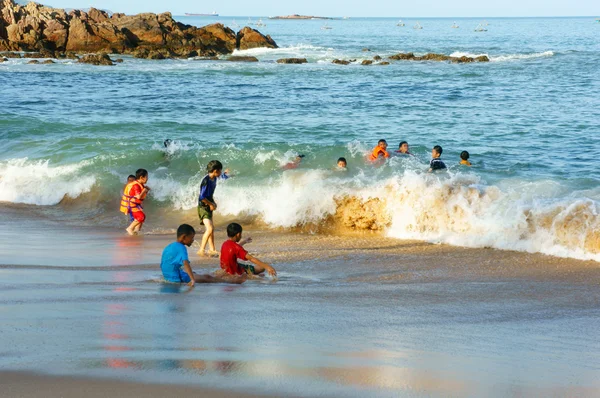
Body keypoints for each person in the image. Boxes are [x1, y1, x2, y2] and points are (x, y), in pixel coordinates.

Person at [161, 224, 244, 286]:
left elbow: (164, 262)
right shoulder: (181, 248)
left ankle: (223, 276)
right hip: (175, 278)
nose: (193, 240)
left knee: (197, 273)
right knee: (207, 278)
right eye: (192, 238)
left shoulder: (171, 246)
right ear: (184, 237)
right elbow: (185, 263)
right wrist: (192, 280)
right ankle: (232, 282)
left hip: (168, 274)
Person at [197, 160, 223, 256]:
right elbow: (202, 197)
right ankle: (201, 249)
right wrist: (211, 204)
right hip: (203, 207)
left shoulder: (214, 178)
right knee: (210, 229)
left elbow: (222, 177)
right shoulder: (206, 181)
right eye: (220, 171)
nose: (220, 173)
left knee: (211, 228)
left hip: (208, 205)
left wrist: (226, 174)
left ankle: (212, 249)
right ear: (215, 171)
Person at [120, 168, 150, 235]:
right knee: (141, 217)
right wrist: (145, 190)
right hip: (131, 205)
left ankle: (136, 231)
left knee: (140, 219)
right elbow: (138, 196)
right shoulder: (136, 185)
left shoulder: (140, 184)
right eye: (147, 177)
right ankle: (130, 228)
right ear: (142, 177)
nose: (147, 178)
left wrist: (145, 190)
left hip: (136, 205)